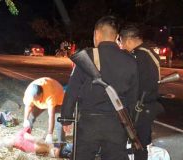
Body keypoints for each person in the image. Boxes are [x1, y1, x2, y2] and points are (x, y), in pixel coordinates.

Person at [60, 16, 139, 160]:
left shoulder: (87, 57)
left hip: (89, 124)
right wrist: (131, 125)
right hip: (118, 124)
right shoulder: (130, 61)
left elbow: (72, 90)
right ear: (116, 37)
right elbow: (134, 98)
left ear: (96, 34)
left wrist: (66, 118)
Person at [119, 24, 164, 160]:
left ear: (128, 40)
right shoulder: (150, 52)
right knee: (142, 144)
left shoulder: (138, 56)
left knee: (138, 147)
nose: (121, 47)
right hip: (148, 106)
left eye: (121, 42)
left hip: (141, 108)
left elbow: (132, 84)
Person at [23, 77, 66, 144]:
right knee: (31, 117)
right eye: (34, 99)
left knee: (59, 120)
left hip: (58, 98)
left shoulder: (50, 95)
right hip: (43, 98)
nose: (35, 101)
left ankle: (62, 143)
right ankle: (25, 137)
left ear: (41, 94)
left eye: (36, 99)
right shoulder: (29, 93)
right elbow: (28, 107)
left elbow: (51, 116)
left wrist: (50, 134)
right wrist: (25, 120)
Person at [4, 127, 72, 158]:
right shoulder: (19, 135)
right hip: (54, 149)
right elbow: (35, 139)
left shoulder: (22, 149)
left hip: (53, 151)